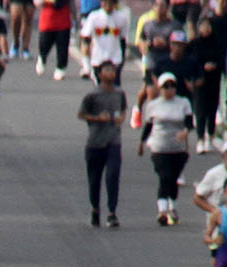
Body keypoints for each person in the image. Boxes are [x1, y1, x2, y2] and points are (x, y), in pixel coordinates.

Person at [138, 71, 194, 225]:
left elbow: (189, 123)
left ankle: (173, 207)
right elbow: (148, 126)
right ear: (160, 88)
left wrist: (185, 132)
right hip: (159, 147)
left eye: (172, 86)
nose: (169, 89)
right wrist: (141, 143)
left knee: (173, 179)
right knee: (164, 177)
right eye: (165, 86)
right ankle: (162, 211)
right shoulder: (153, 105)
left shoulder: (183, 103)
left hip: (178, 148)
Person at [78, 60, 127, 227]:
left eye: (113, 71)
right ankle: (95, 208)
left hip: (113, 140)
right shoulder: (92, 95)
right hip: (95, 142)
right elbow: (81, 114)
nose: (111, 74)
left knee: (113, 175)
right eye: (107, 71)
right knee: (94, 178)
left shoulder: (120, 93)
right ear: (99, 74)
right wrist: (97, 118)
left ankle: (112, 212)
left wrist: (121, 118)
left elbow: (123, 109)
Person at [132, 0, 183, 127]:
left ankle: (169, 120)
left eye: (163, 6)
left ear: (168, 8)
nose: (160, 8)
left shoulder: (174, 25)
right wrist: (149, 44)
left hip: (168, 62)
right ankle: (150, 121)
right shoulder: (147, 24)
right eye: (157, 5)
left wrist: (166, 44)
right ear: (153, 7)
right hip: (152, 62)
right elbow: (141, 42)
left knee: (169, 92)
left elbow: (181, 43)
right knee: (151, 93)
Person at [189, 15, 227, 151]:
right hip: (200, 80)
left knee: (212, 109)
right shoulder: (194, 44)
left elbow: (223, 60)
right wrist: (201, 68)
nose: (206, 29)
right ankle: (200, 139)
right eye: (203, 26)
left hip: (214, 79)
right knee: (200, 110)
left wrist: (215, 66)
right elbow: (191, 61)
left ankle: (210, 135)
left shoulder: (218, 43)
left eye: (208, 26)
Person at [81, 0, 130, 82]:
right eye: (105, 3)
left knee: (114, 88)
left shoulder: (121, 18)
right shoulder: (94, 17)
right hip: (98, 59)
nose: (108, 6)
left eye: (110, 3)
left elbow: (123, 39)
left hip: (114, 58)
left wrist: (122, 58)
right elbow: (86, 37)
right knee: (100, 89)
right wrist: (86, 59)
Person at [151, 29, 199, 100]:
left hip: (184, 98)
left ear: (184, 46)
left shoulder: (191, 61)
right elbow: (154, 74)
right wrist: (159, 86)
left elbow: (200, 77)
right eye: (174, 44)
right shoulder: (162, 61)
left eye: (180, 45)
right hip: (166, 97)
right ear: (170, 45)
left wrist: (193, 84)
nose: (177, 47)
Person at [35, 0, 74, 80]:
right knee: (44, 44)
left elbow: (72, 4)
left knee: (62, 47)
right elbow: (37, 2)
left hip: (63, 22)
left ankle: (60, 67)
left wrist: (75, 16)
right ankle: (42, 57)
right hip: (47, 21)